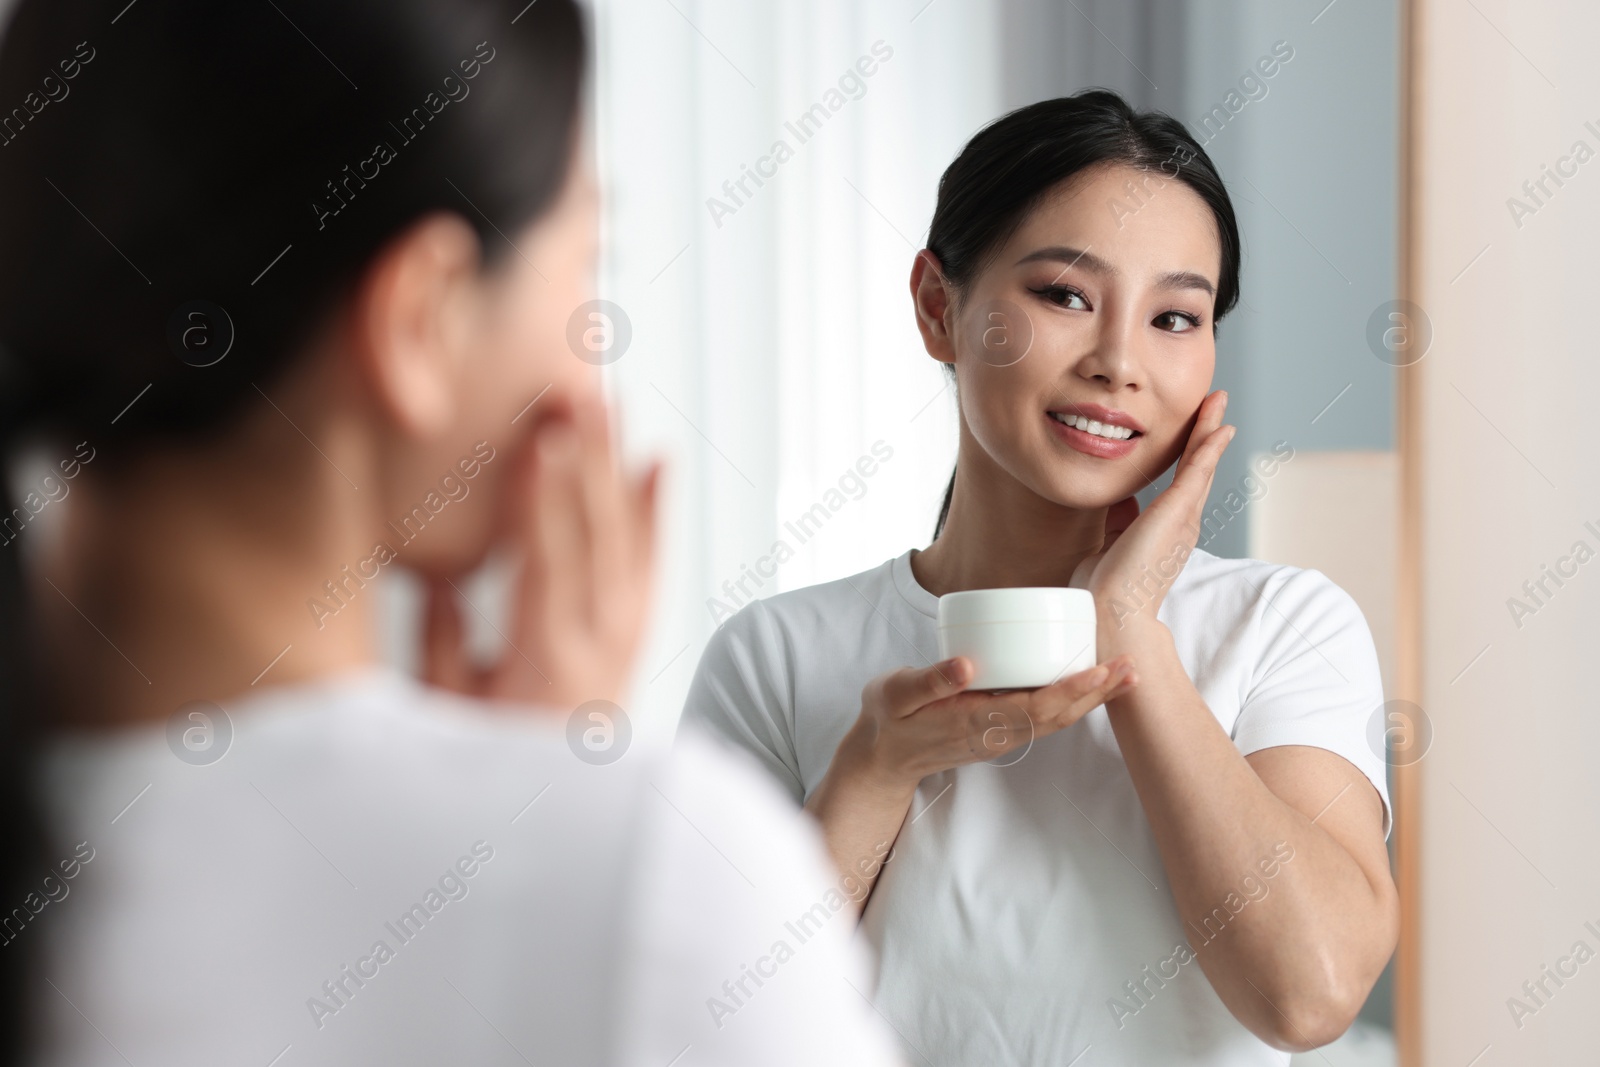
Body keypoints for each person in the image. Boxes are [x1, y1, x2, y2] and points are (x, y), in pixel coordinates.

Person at [0, 2, 904, 1065]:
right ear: (420, 316)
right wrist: (550, 841)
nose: (586, 379)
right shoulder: (651, 878)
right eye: (585, 272)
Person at [679, 90, 1399, 1066]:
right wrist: (876, 766)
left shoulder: (1281, 624)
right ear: (940, 307)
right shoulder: (773, 655)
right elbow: (702, 1029)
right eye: (1064, 295)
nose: (1118, 361)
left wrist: (1130, 628)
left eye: (1175, 316)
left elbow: (1306, 994)